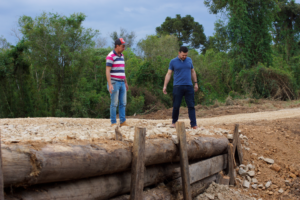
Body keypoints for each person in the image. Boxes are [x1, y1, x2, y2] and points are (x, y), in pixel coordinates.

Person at [163, 46, 198, 129]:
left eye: (186, 55)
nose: (184, 57)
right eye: (183, 55)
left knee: (191, 106)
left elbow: (193, 72)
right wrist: (165, 86)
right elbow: (168, 74)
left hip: (189, 86)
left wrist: (195, 83)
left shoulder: (189, 60)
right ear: (179, 53)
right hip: (177, 86)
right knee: (176, 106)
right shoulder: (173, 61)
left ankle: (194, 124)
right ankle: (174, 123)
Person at [106, 38, 129, 127]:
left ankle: (123, 121)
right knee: (114, 103)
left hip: (122, 82)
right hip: (114, 82)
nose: (124, 48)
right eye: (122, 46)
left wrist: (126, 82)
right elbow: (107, 71)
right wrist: (110, 84)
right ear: (117, 46)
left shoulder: (122, 56)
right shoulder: (110, 56)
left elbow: (122, 70)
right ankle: (113, 122)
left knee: (123, 103)